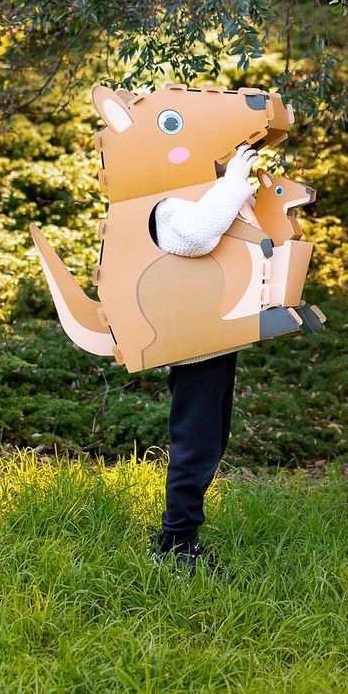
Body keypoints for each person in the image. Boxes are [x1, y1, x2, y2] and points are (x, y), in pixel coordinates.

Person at [151, 144, 259, 575]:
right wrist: (233, 179)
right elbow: (198, 234)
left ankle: (182, 538)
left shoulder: (196, 197)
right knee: (195, 442)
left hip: (215, 338)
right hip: (194, 343)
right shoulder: (165, 205)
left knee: (213, 439)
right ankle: (174, 544)